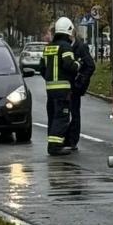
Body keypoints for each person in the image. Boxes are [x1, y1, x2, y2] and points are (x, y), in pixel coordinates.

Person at [38, 17, 80, 156]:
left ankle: (53, 143)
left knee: (53, 116)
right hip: (62, 90)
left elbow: (42, 68)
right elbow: (69, 65)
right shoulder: (65, 47)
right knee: (61, 117)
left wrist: (50, 79)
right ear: (68, 30)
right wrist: (78, 64)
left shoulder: (48, 47)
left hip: (50, 90)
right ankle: (55, 147)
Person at [64, 29, 95, 151]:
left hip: (74, 88)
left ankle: (72, 141)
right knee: (63, 114)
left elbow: (90, 65)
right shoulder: (64, 47)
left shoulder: (80, 47)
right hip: (63, 87)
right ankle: (64, 139)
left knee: (74, 114)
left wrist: (81, 81)